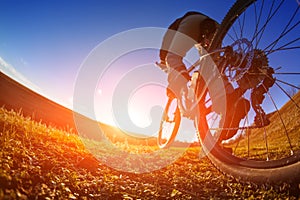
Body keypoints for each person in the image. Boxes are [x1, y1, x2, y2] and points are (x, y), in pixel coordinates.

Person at [156, 11, 220, 99]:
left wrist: (163, 58)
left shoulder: (173, 29)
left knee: (172, 57)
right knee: (213, 67)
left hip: (192, 22)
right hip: (214, 25)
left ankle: (179, 77)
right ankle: (228, 93)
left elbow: (166, 44)